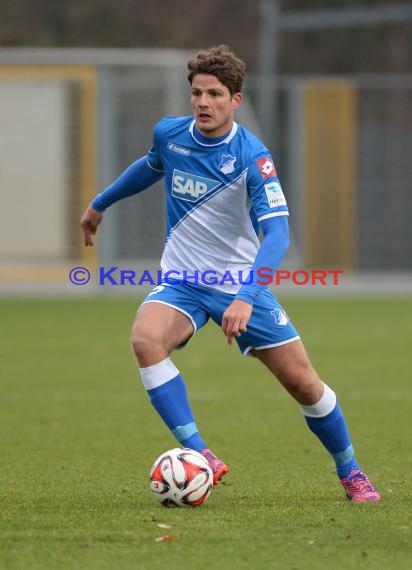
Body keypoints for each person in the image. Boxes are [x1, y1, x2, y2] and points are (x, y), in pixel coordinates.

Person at [80, 45, 380, 502]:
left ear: (235, 100)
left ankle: (351, 472)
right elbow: (150, 166)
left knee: (304, 384)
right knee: (145, 340)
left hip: (240, 286)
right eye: (197, 93)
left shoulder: (252, 157)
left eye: (215, 94)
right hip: (181, 281)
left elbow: (277, 234)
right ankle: (202, 454)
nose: (203, 102)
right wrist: (101, 203)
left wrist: (245, 296)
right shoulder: (170, 135)